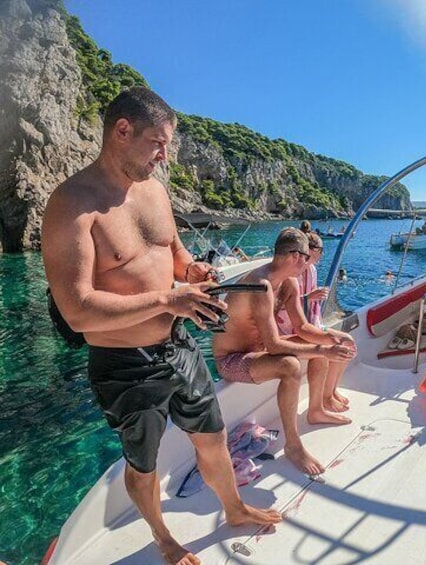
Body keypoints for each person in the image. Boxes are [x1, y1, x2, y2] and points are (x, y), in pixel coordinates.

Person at [41, 87, 282, 565]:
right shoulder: (71, 206)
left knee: (211, 436)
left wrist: (192, 273)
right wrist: (170, 298)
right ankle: (162, 537)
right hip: (124, 364)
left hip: (178, 343)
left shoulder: (155, 191)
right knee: (143, 463)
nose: (164, 154)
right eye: (158, 142)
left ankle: (234, 508)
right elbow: (79, 311)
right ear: (122, 131)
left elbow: (174, 254)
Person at [212, 228, 356, 476]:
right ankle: (293, 445)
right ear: (296, 256)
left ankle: (315, 410)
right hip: (232, 360)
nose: (308, 263)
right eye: (306, 258)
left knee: (319, 350)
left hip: (258, 351)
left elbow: (302, 327)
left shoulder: (288, 282)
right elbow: (274, 346)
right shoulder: (260, 285)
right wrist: (323, 348)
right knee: (290, 365)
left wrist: (332, 337)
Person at [287, 231, 354, 415]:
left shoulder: (312, 271)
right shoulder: (290, 274)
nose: (322, 255)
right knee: (329, 348)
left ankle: (330, 391)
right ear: (309, 250)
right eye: (321, 250)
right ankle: (323, 400)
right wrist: (309, 297)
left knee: (348, 343)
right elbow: (280, 307)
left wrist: (313, 297)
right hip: (293, 329)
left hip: (313, 324)